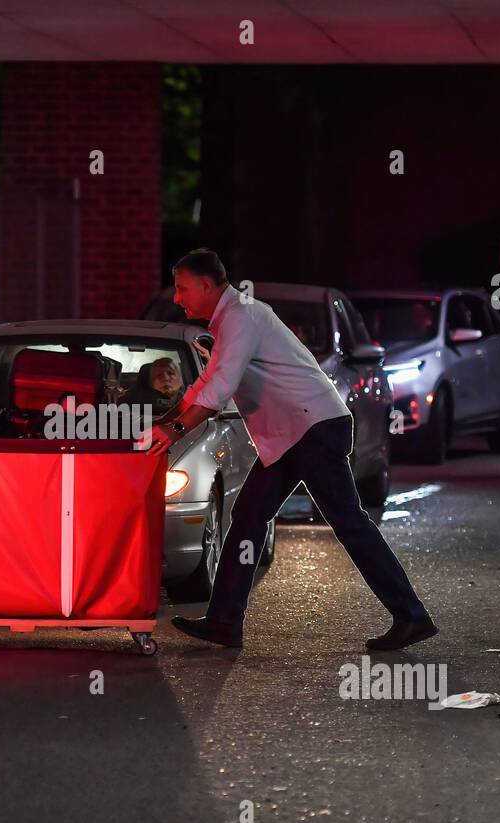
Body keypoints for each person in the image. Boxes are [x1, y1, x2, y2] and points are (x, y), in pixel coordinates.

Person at [149, 248, 435, 650]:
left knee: (348, 523)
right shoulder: (233, 320)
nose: (178, 298)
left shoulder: (241, 318)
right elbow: (206, 384)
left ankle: (411, 615)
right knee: (249, 518)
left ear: (207, 285)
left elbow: (219, 387)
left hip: (311, 429)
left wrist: (174, 428)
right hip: (296, 433)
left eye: (182, 289)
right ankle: (225, 621)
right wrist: (165, 425)